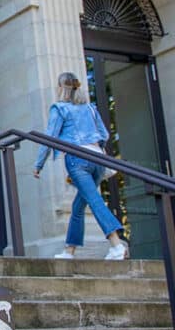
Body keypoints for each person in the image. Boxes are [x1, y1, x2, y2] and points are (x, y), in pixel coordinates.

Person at [33, 71, 127, 261]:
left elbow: (49, 138)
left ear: (61, 88)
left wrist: (38, 165)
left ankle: (117, 245)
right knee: (78, 206)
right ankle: (69, 250)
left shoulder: (59, 108)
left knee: (94, 201)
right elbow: (104, 134)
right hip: (98, 160)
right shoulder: (90, 108)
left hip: (77, 160)